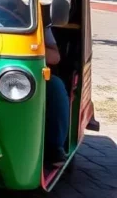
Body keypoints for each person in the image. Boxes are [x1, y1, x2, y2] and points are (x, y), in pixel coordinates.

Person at [44, 14, 70, 166]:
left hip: (22, 75)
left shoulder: (33, 17)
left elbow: (55, 57)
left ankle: (54, 146)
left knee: (55, 86)